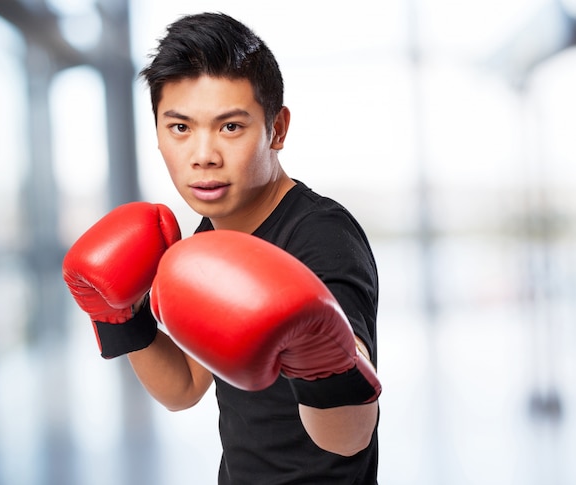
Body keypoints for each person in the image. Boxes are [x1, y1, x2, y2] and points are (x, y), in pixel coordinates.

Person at [62, 12, 381, 484]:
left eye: (230, 127)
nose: (203, 154)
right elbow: (185, 386)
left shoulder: (321, 235)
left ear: (276, 129)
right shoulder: (209, 236)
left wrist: (321, 356)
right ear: (157, 131)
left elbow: (350, 436)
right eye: (180, 128)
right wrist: (122, 318)